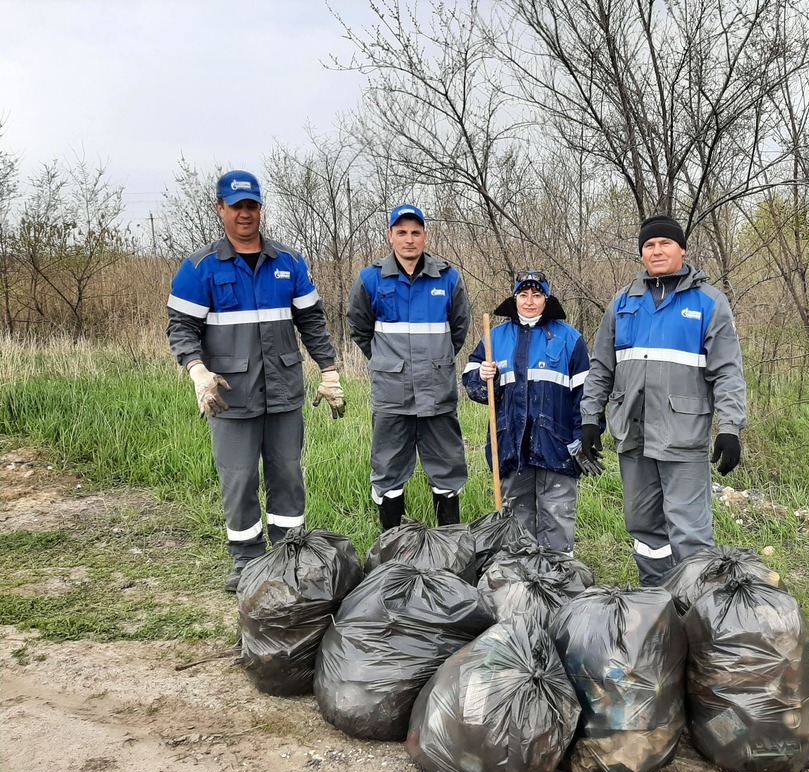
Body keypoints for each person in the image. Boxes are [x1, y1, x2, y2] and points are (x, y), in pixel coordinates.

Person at [166, 169, 346, 593]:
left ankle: (288, 554)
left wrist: (330, 370)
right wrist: (196, 370)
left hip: (283, 389)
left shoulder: (289, 262)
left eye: (251, 206)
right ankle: (246, 561)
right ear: (220, 209)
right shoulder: (200, 267)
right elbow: (180, 327)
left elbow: (312, 320)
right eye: (235, 206)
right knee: (240, 477)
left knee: (287, 473)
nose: (244, 214)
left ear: (260, 209)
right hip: (230, 395)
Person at [579, 215, 746, 585]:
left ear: (681, 249)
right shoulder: (623, 303)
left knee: (689, 531)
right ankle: (657, 606)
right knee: (644, 528)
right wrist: (590, 419)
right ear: (641, 253)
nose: (656, 251)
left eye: (664, 244)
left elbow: (728, 372)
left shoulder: (708, 303)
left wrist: (730, 428)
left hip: (682, 435)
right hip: (633, 434)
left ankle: (697, 613)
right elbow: (602, 367)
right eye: (649, 245)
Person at [347, 204, 471, 529]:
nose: (409, 239)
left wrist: (437, 362)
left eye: (416, 232)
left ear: (425, 236)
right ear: (390, 236)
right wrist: (387, 364)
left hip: (437, 392)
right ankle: (394, 551)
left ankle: (448, 548)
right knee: (388, 470)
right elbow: (360, 330)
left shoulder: (448, 278)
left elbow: (458, 330)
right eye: (401, 232)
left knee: (447, 468)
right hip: (392, 395)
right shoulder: (370, 279)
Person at [462, 271, 598, 554]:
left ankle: (559, 582)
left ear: (546, 300)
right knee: (517, 519)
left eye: (537, 295)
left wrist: (582, 435)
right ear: (515, 298)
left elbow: (586, 394)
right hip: (511, 444)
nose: (529, 301)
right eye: (523, 294)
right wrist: (483, 376)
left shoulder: (569, 338)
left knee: (557, 517)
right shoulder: (494, 337)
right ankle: (522, 584)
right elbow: (472, 384)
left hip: (557, 445)